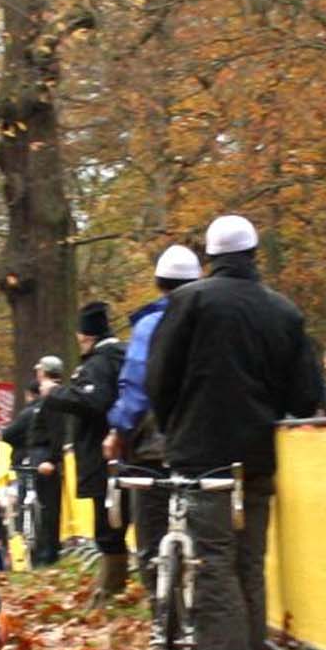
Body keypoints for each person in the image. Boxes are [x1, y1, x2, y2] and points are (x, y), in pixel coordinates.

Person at [146, 213, 325, 650]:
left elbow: (160, 378)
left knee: (213, 564)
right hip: (260, 457)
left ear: (210, 257)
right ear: (254, 254)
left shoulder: (189, 302)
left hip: (202, 455)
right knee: (249, 564)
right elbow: (308, 393)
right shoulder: (284, 312)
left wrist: (171, 426)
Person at [102, 244, 203, 599]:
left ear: (159, 283)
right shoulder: (212, 319)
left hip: (151, 445)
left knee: (152, 530)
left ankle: (162, 613)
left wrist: (118, 430)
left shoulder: (150, 324)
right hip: (204, 441)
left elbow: (136, 382)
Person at [42, 303, 128, 602]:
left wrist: (56, 394)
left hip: (102, 453)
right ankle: (114, 582)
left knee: (107, 522)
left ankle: (111, 588)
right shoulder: (122, 355)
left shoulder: (99, 363)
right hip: (122, 452)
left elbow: (94, 401)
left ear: (86, 335)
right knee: (115, 518)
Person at [0, 356, 64, 567]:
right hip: (37, 457)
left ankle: (46, 557)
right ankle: (40, 555)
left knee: (47, 510)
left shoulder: (53, 395)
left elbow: (57, 430)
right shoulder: (43, 400)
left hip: (45, 459)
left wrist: (53, 459)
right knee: (40, 507)